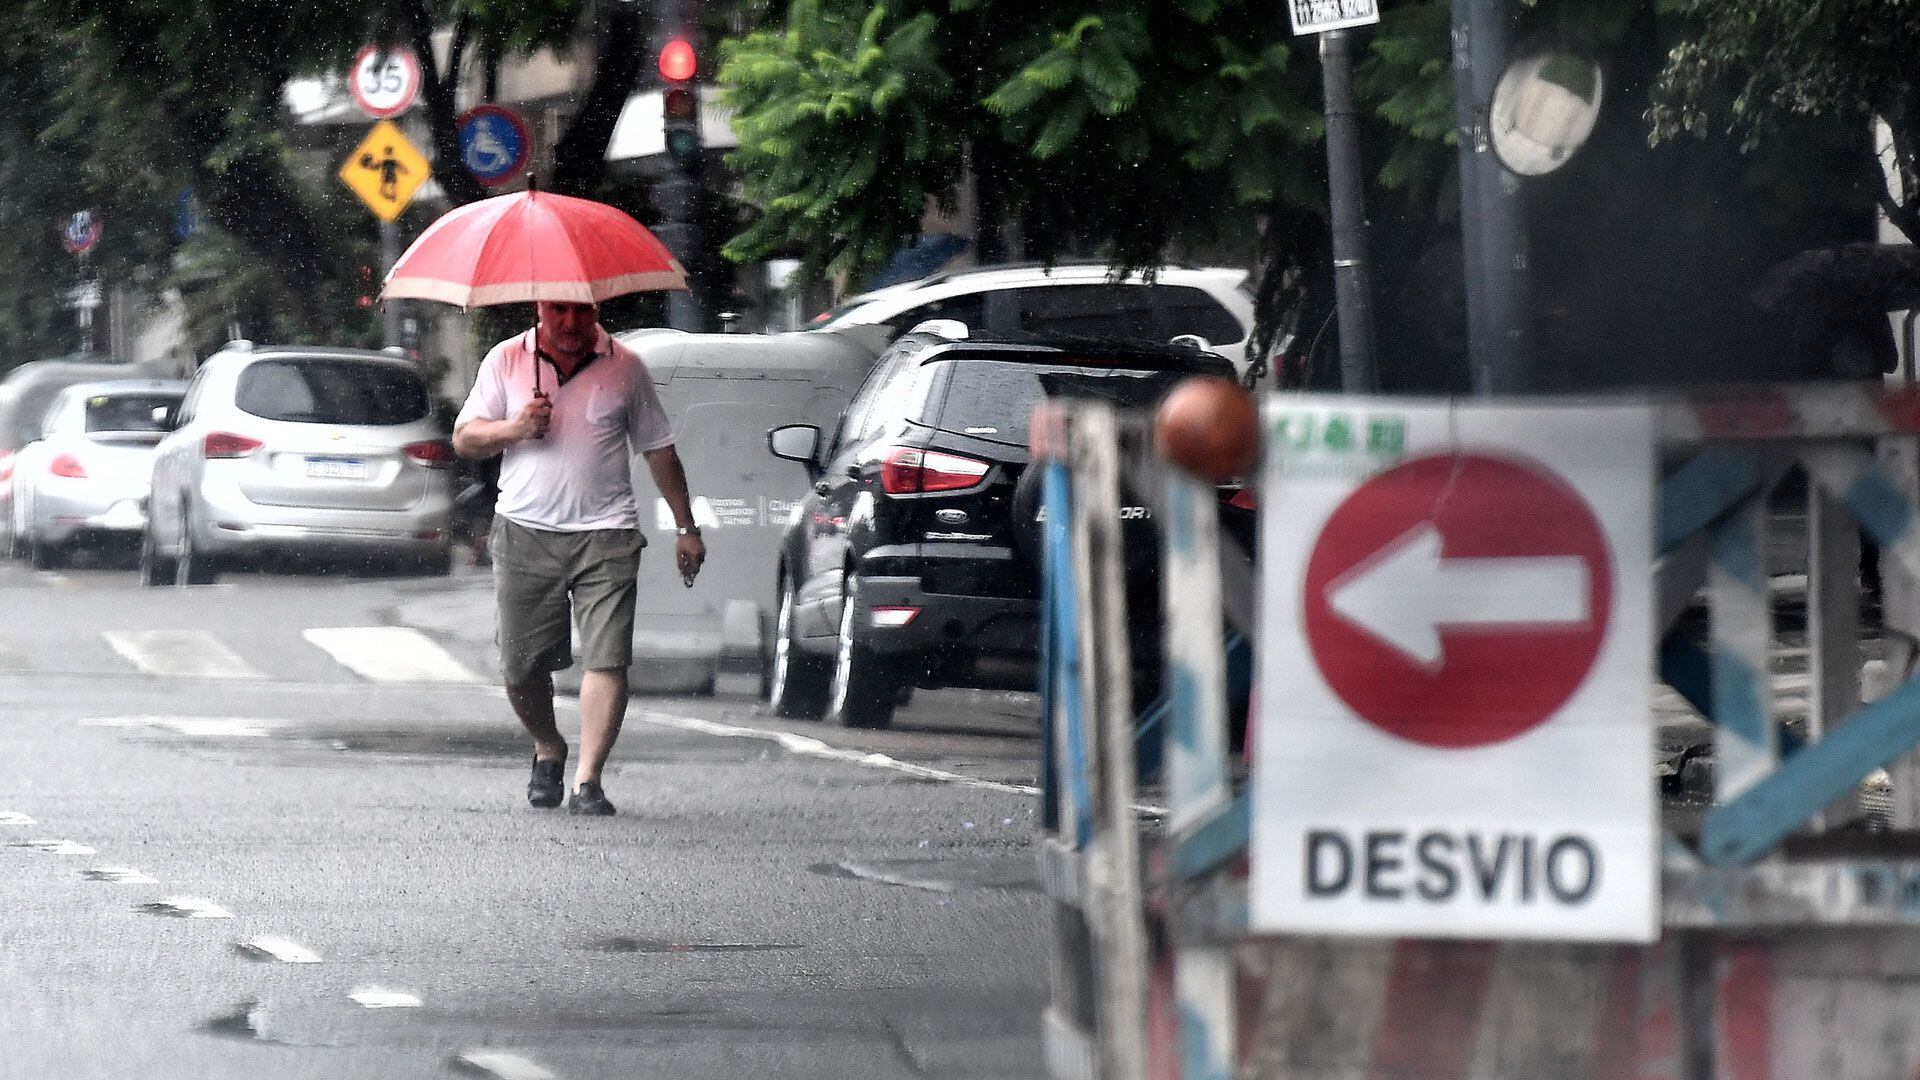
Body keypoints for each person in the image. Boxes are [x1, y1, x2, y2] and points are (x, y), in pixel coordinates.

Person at [452, 300, 706, 816]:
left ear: (596, 311)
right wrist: (516, 428)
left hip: (607, 534)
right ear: (540, 308)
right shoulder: (506, 359)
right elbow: (464, 438)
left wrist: (686, 527)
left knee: (608, 657)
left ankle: (587, 780)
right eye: (559, 311)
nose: (571, 323)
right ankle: (549, 746)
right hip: (526, 532)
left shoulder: (626, 366)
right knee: (520, 667)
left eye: (582, 312)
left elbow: (658, 450)